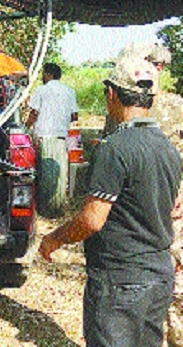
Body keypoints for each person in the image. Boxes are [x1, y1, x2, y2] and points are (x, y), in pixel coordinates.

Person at [39, 56, 182, 347]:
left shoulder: (113, 148)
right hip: (158, 276)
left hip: (120, 280)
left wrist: (54, 238)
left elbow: (92, 219)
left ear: (112, 94)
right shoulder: (168, 148)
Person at [25, 62, 78, 216]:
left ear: (48, 74)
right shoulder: (69, 91)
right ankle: (57, 209)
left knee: (43, 174)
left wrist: (26, 127)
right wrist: (61, 118)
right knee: (59, 175)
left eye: (43, 74)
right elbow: (75, 116)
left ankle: (43, 209)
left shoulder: (41, 90)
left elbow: (34, 113)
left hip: (44, 136)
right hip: (61, 137)